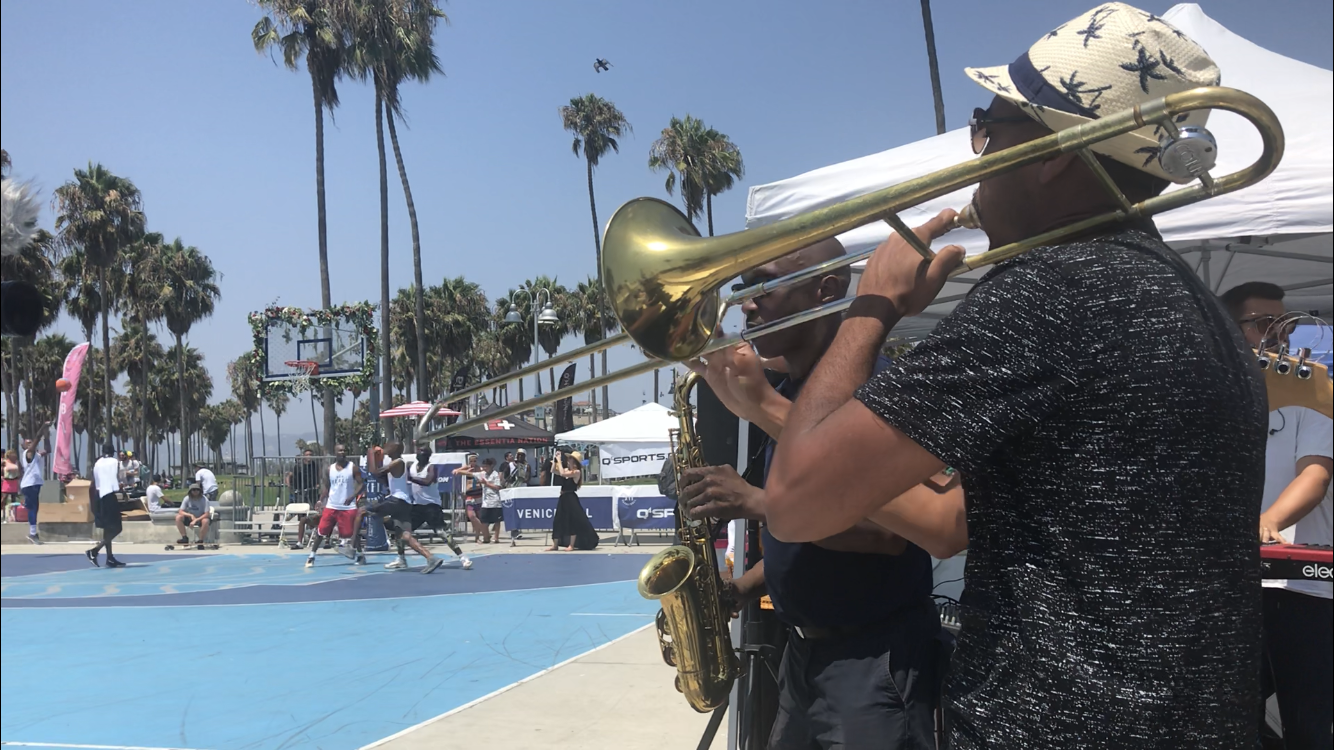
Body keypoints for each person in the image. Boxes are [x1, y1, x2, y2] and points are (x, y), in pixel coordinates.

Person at [761, 6, 1266, 747]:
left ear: (1054, 152)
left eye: (987, 126)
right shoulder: (1191, 301)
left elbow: (797, 501)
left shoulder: (1053, 291)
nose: (977, 150)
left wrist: (872, 306)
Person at [681, 237, 952, 749]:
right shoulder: (788, 396)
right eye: (744, 288)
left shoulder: (878, 391)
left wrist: (758, 501)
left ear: (827, 289)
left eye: (765, 284)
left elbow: (890, 534)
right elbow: (802, 535)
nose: (747, 303)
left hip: (873, 662)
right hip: (802, 659)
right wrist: (744, 587)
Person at [1221, 281, 1333, 747]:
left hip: (1303, 586)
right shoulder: (1221, 401)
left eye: (1285, 323)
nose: (1278, 333)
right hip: (1235, 584)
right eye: (1264, 323)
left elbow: (1315, 475)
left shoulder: (1313, 390)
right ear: (1230, 329)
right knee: (1229, 713)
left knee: (1307, 722)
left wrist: (1268, 522)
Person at [366, 442, 444, 573]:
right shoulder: (393, 465)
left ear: (395, 449)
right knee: (403, 535)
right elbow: (383, 479)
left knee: (363, 511)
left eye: (388, 446)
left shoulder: (398, 462)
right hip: (404, 502)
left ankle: (350, 546)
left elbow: (374, 473)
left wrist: (371, 455)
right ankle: (429, 558)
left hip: (398, 500)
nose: (385, 448)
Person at [406, 446, 473, 569]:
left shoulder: (432, 468)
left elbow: (427, 481)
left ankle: (462, 557)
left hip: (432, 506)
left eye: (423, 452)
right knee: (403, 531)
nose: (420, 454)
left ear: (427, 456)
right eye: (419, 452)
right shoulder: (411, 466)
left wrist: (410, 478)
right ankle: (400, 558)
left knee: (442, 532)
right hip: (417, 506)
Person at [306, 444, 365, 568]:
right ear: (335, 453)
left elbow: (361, 484)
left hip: (348, 507)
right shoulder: (330, 469)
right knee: (321, 531)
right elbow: (327, 487)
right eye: (340, 450)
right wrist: (320, 500)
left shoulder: (352, 468)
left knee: (351, 533)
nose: (342, 452)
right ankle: (311, 556)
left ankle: (360, 555)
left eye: (344, 450)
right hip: (332, 505)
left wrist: (352, 496)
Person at [547, 450, 598, 551]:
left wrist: (559, 462)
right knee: (558, 520)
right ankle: (555, 544)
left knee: (572, 521)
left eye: (570, 459)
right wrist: (555, 460)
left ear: (574, 462)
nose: (568, 460)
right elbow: (553, 471)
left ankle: (571, 544)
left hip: (571, 498)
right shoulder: (566, 469)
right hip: (563, 498)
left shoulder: (576, 472)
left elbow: (562, 473)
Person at [86, 443, 125, 567]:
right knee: (117, 528)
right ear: (113, 452)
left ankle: (110, 557)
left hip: (98, 495)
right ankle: (95, 550)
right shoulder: (115, 462)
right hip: (108, 495)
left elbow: (95, 481)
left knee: (107, 528)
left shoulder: (97, 463)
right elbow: (118, 478)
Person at [19, 423, 50, 543]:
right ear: (24, 446)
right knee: (33, 508)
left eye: (30, 442)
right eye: (28, 443)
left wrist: (47, 436)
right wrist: (43, 428)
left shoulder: (37, 455)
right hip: (29, 484)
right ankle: (32, 534)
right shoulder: (28, 453)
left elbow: (48, 450)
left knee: (35, 508)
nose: (30, 443)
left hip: (35, 484)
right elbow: (37, 438)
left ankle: (33, 533)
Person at [452, 454, 485, 543]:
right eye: (471, 461)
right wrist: (464, 471)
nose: (473, 463)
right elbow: (455, 471)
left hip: (479, 494)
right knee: (472, 516)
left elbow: (483, 476)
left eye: (474, 461)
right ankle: (484, 530)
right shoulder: (466, 468)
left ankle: (477, 537)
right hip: (469, 495)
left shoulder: (480, 469)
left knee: (479, 516)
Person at [473, 457, 506, 544]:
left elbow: (498, 487)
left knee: (497, 521)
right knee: (483, 521)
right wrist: (458, 470)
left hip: (495, 501)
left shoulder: (495, 475)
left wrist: (486, 483)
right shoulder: (482, 474)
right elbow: (470, 473)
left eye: (486, 466)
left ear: (491, 466)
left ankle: (496, 537)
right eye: (483, 466)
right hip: (485, 503)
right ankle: (486, 537)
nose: (484, 468)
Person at [2, 449, 19, 521]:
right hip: (6, 482)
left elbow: (20, 470)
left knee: (14, 500)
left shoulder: (17, 463)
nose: (14, 456)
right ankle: (2, 515)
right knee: (3, 499)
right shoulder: (4, 462)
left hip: (14, 482)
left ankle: (13, 516)